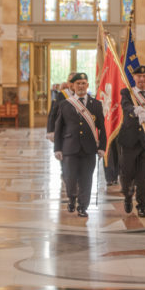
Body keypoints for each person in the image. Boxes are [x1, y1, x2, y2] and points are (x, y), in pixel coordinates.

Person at [53, 73, 106, 217]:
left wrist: (102, 147)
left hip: (89, 149)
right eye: (78, 84)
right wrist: (57, 148)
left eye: (83, 83)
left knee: (86, 178)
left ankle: (83, 206)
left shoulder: (96, 105)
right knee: (70, 177)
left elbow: (102, 127)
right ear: (73, 86)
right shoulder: (65, 104)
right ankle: (71, 198)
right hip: (70, 148)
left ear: (87, 85)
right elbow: (58, 128)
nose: (81, 86)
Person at [118, 65, 145, 217]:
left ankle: (142, 206)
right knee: (127, 174)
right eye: (139, 76)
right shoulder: (127, 92)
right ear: (135, 78)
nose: (142, 79)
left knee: (144, 177)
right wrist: (135, 110)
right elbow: (125, 106)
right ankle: (128, 196)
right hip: (129, 140)